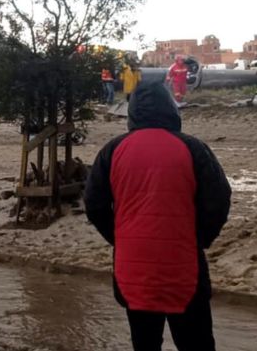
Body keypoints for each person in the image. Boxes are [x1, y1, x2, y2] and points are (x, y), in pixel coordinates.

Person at [85, 82, 231, 351]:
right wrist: (200, 238)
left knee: (144, 343)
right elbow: (218, 202)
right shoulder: (193, 148)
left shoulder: (112, 150)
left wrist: (120, 238)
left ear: (132, 111)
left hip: (133, 268)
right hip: (184, 265)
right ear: (171, 109)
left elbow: (94, 205)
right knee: (196, 343)